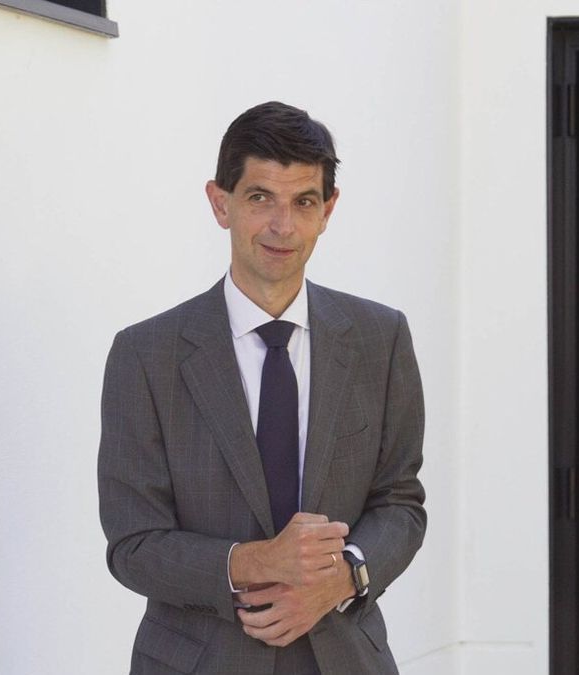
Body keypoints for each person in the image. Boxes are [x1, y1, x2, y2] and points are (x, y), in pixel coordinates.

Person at [98, 101, 425, 674]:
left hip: (345, 657)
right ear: (219, 203)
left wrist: (344, 577)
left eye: (303, 202)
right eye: (260, 199)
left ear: (328, 210)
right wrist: (255, 562)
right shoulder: (146, 354)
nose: (283, 226)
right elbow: (133, 545)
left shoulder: (381, 338)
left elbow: (400, 503)